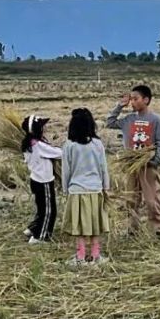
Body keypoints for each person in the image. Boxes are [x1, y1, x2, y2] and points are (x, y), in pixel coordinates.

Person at [106, 84, 160, 235]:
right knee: (131, 198)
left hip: (148, 165)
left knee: (152, 199)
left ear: (146, 100)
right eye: (131, 99)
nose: (132, 102)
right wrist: (120, 106)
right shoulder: (129, 119)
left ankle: (159, 229)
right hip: (131, 164)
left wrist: (155, 160)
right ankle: (132, 228)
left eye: (135, 99)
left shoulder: (155, 120)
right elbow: (110, 122)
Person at [61, 109, 110, 266]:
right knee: (95, 224)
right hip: (95, 190)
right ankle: (96, 255)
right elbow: (104, 168)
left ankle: (80, 256)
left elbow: (66, 170)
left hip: (76, 191)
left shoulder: (69, 145)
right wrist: (106, 187)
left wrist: (65, 189)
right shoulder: (98, 144)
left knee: (79, 225)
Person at [21, 114, 62, 245]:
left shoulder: (28, 143)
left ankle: (32, 229)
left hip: (35, 180)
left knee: (41, 208)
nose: (45, 129)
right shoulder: (39, 146)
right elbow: (59, 153)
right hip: (44, 182)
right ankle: (39, 237)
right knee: (49, 211)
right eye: (43, 127)